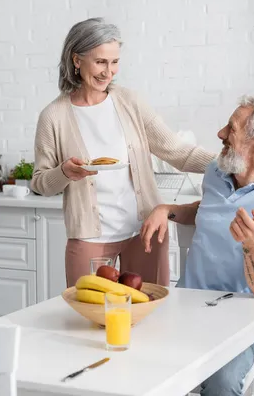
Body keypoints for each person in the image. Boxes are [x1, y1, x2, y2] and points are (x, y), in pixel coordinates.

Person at [140, 95, 254, 396]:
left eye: (231, 129)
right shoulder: (216, 173)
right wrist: (168, 209)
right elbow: (206, 210)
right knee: (137, 358)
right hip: (186, 306)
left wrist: (252, 243)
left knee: (222, 384)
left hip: (241, 318)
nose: (220, 134)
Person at [31, 18, 215, 288]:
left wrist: (230, 164)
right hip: (89, 238)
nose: (109, 72)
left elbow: (175, 151)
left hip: (144, 232)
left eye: (114, 62)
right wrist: (64, 173)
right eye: (100, 62)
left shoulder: (130, 102)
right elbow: (40, 183)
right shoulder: (53, 116)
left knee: (150, 312)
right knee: (91, 320)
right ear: (77, 60)